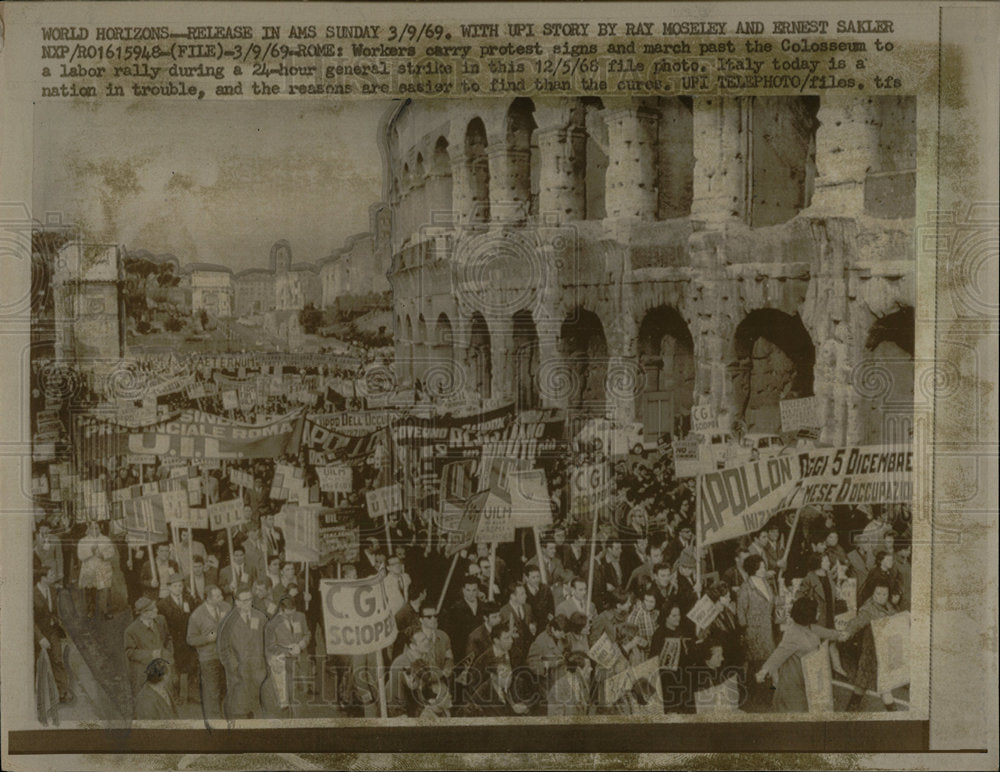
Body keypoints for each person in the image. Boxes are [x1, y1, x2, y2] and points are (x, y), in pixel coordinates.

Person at [755, 596, 843, 712]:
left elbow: (830, 634)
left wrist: (843, 634)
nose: (819, 612)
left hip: (807, 681)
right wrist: (764, 671)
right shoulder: (793, 634)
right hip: (792, 687)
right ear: (808, 614)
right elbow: (778, 655)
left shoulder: (811, 627)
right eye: (817, 610)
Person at [842, 582, 900, 711]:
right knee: (881, 685)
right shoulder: (868, 609)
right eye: (878, 593)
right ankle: (894, 713)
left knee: (863, 683)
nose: (881, 596)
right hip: (871, 652)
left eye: (884, 594)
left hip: (884, 652)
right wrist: (846, 632)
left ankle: (851, 709)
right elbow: (857, 622)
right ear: (872, 594)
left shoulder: (889, 606)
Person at [217, 588, 272, 719]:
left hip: (258, 667)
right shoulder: (227, 621)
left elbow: (267, 641)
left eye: (249, 600)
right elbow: (222, 647)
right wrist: (232, 666)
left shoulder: (260, 617)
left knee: (255, 700)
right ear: (237, 602)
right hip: (238, 669)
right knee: (238, 703)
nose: (247, 603)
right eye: (244, 600)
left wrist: (267, 661)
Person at [736, 554, 776, 711]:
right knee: (755, 664)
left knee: (766, 661)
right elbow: (741, 612)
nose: (763, 569)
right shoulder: (746, 588)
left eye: (764, 567)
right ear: (753, 569)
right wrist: (746, 630)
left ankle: (765, 695)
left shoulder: (765, 582)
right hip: (753, 632)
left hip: (766, 629)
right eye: (760, 567)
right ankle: (753, 697)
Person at [186, 584, 230, 719]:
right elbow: (190, 639)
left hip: (226, 656)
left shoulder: (226, 607)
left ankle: (225, 714)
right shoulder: (197, 615)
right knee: (212, 691)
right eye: (217, 596)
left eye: (221, 595)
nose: (221, 598)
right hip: (209, 658)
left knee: (225, 688)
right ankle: (215, 722)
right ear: (208, 599)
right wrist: (207, 638)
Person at [263, 594, 311, 716]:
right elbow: (271, 646)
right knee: (290, 693)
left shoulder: (300, 616)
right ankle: (293, 719)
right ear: (281, 610)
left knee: (303, 690)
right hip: (285, 662)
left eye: (293, 612)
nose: (291, 616)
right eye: (288, 614)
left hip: (301, 660)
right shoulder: (272, 625)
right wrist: (288, 650)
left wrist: (301, 644)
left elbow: (307, 634)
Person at [33, 564, 73, 704]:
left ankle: (63, 692)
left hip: (52, 631)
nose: (53, 577)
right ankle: (33, 696)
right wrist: (40, 638)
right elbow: (30, 621)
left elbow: (55, 612)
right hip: (38, 633)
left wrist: (60, 628)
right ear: (42, 578)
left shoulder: (52, 590)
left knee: (57, 660)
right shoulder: (32, 594)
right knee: (35, 664)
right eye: (50, 576)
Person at [158, 573, 197, 704]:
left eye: (180, 585)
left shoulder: (189, 599)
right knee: (174, 667)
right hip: (173, 640)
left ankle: (185, 695)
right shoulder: (163, 604)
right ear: (169, 588)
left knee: (189, 666)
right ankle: (175, 695)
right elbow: (162, 624)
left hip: (188, 639)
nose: (178, 588)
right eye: (175, 586)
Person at [125, 596, 174, 695]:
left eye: (155, 607)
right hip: (146, 671)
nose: (156, 610)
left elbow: (168, 638)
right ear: (144, 613)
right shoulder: (131, 630)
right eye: (152, 609)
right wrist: (151, 655)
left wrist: (169, 653)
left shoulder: (161, 620)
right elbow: (129, 652)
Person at [77, 520, 114, 619]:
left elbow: (111, 553)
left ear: (100, 528)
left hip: (103, 569)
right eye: (92, 528)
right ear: (88, 529)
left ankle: (105, 610)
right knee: (90, 590)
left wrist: (103, 555)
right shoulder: (83, 541)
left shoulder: (106, 540)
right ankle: (91, 610)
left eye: (96, 528)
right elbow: (80, 556)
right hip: (89, 569)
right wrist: (91, 551)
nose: (94, 530)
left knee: (105, 590)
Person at [547, 651, 593, 717]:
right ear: (578, 670)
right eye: (587, 669)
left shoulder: (581, 686)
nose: (589, 672)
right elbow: (555, 719)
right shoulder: (558, 688)